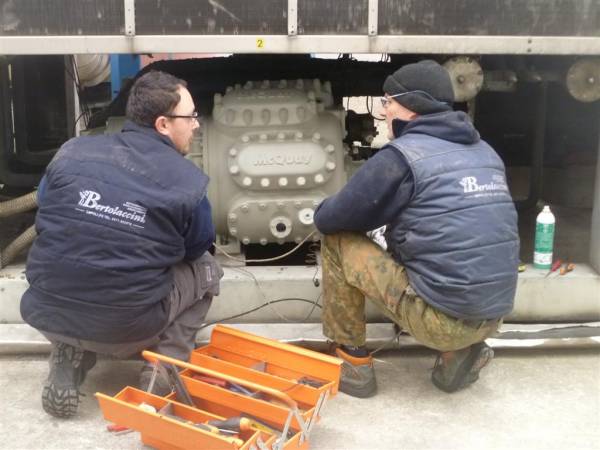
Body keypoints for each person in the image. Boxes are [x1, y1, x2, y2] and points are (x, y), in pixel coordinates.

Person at [20, 70, 223, 418]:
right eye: (190, 116)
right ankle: (162, 370)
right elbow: (195, 248)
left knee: (80, 261)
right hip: (128, 327)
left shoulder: (72, 151)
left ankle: (70, 349)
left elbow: (47, 201)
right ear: (162, 124)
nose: (196, 125)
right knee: (208, 270)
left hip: (44, 310)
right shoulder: (187, 183)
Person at [314, 60, 519, 397]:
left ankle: (352, 362)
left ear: (411, 107)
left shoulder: (401, 157)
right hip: (494, 316)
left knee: (338, 241)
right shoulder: (486, 152)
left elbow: (331, 219)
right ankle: (459, 354)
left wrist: (323, 209)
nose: (383, 112)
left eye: (388, 102)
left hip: (441, 322)